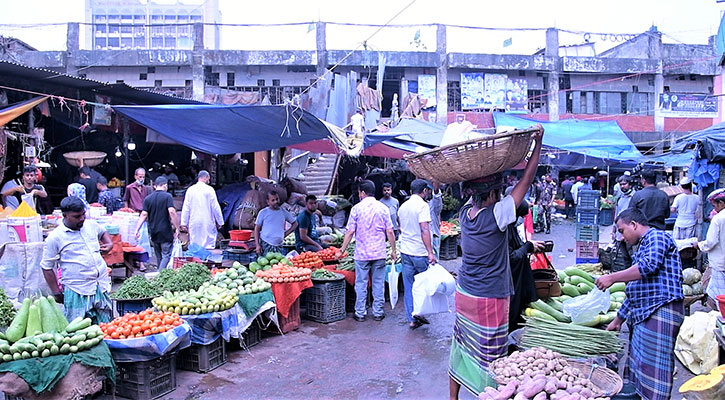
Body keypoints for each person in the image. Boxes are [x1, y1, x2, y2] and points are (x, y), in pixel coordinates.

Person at [449, 125, 543, 399]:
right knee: (491, 355)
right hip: (489, 296)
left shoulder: (466, 214)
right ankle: (488, 394)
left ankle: (453, 396)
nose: (503, 194)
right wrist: (537, 145)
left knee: (461, 343)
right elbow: (526, 180)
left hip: (464, 292)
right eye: (499, 191)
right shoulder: (499, 214)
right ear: (491, 195)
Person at [595, 208, 684, 400]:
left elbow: (648, 266)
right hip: (645, 312)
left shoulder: (657, 237)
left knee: (655, 367)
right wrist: (618, 319)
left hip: (661, 308)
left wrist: (612, 277)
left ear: (634, 224)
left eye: (622, 230)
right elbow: (634, 290)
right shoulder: (642, 247)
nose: (621, 237)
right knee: (640, 365)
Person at [40, 197, 114, 323]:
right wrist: (57, 293)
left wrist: (109, 243)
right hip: (77, 289)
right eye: (77, 216)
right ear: (65, 215)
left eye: (83, 214)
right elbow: (46, 267)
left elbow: (102, 232)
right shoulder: (55, 237)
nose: (82, 219)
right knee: (78, 331)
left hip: (100, 285)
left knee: (106, 327)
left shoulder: (90, 225)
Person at [338, 180, 396, 322]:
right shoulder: (383, 208)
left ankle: (360, 312)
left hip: (362, 253)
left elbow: (350, 232)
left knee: (361, 283)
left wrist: (341, 250)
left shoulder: (356, 209)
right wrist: (393, 250)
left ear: (362, 193)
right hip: (379, 252)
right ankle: (378, 312)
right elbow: (390, 231)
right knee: (378, 282)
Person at [398, 179, 436, 329]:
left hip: (405, 251)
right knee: (424, 286)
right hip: (419, 252)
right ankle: (421, 313)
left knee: (409, 286)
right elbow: (424, 229)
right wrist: (430, 252)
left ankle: (412, 318)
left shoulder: (403, 206)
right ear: (424, 191)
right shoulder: (422, 206)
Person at [507, 201, 543, 333]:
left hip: (518, 280)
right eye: (520, 216)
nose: (520, 220)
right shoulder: (505, 230)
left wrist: (530, 245)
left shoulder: (511, 227)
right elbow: (512, 257)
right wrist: (527, 246)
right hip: (511, 281)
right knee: (512, 312)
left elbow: (517, 246)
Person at [135, 177, 179, 270]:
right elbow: (171, 211)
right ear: (165, 185)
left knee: (158, 255)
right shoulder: (167, 196)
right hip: (165, 231)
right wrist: (177, 227)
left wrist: (137, 229)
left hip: (153, 231)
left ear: (155, 186)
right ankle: (159, 275)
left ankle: (159, 276)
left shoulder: (148, 198)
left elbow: (143, 214)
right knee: (166, 255)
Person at [697, 189, 725, 309]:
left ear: (721, 203)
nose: (715, 208)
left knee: (719, 297)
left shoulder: (718, 219)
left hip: (720, 263)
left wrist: (698, 245)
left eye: (715, 205)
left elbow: (710, 242)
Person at [180, 171, 224, 249]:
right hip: (207, 221)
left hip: (194, 221)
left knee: (195, 245)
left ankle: (196, 260)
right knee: (208, 245)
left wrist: (184, 223)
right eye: (208, 179)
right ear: (205, 178)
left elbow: (186, 207)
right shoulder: (209, 190)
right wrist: (220, 221)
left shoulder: (190, 190)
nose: (209, 181)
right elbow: (215, 207)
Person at [254, 190, 298, 255]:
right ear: (268, 202)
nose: (276, 202)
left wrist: (285, 234)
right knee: (265, 263)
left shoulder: (283, 212)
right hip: (265, 244)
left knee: (279, 264)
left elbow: (295, 223)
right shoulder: (263, 212)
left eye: (277, 199)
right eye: (273, 200)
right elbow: (257, 229)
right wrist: (257, 245)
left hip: (279, 245)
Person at [611, 176, 636, 271]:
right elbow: (616, 215)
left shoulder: (635, 197)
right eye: (620, 184)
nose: (622, 186)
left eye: (624, 184)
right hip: (619, 232)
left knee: (633, 255)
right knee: (625, 257)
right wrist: (614, 230)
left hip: (630, 232)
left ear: (630, 184)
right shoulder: (620, 198)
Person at [429, 183, 443, 259]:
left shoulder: (433, 204)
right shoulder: (419, 204)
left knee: (434, 260)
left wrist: (436, 190)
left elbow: (437, 201)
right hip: (423, 236)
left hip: (434, 234)